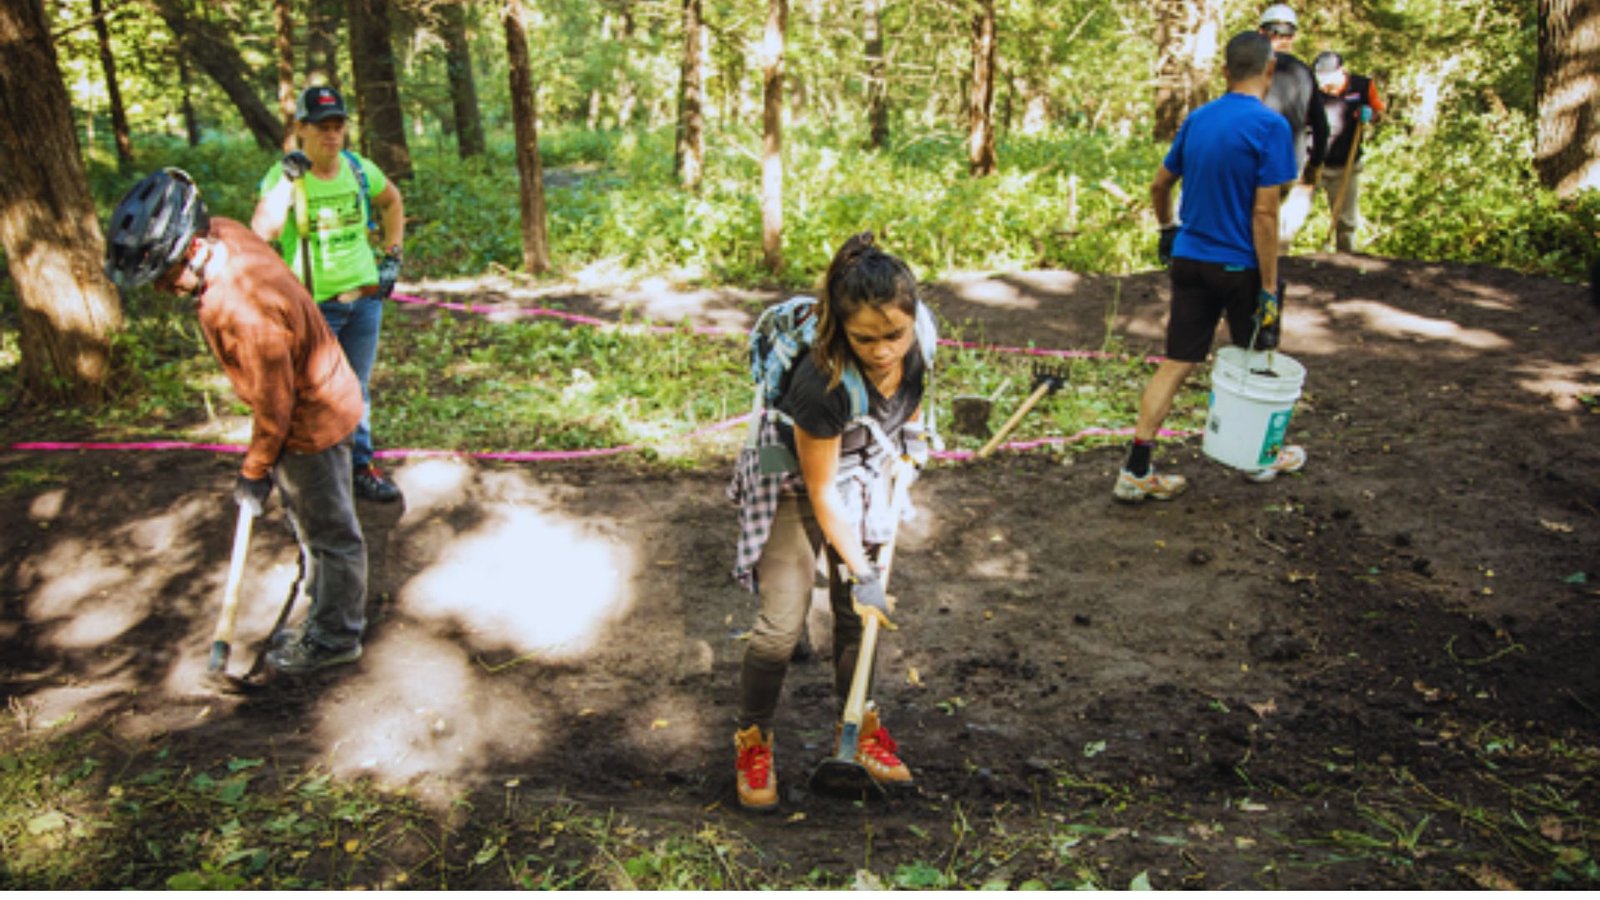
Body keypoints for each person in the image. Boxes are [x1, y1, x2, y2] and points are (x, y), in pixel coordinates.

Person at [105, 168, 370, 674]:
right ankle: (325, 610)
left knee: (329, 530)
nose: (161, 290)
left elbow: (276, 408)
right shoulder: (223, 232)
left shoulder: (241, 308)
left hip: (313, 419)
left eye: (161, 276)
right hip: (314, 395)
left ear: (189, 252)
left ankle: (336, 638)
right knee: (311, 522)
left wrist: (254, 472)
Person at [726, 232, 932, 811]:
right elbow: (821, 491)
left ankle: (860, 727)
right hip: (791, 476)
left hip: (863, 465)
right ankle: (753, 738)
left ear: (912, 319)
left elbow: (911, 404)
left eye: (894, 334)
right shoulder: (823, 383)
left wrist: (910, 446)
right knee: (780, 624)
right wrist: (865, 571)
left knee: (855, 614)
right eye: (865, 339)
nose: (883, 349)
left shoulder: (919, 342)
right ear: (841, 330)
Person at [1131, 31, 1306, 503]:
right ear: (1270, 70)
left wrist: (1167, 229)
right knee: (1255, 358)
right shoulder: (1270, 128)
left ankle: (1136, 468)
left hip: (1189, 258)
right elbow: (1265, 214)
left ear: (1226, 72)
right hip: (1239, 266)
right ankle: (1258, 457)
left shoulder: (1198, 119)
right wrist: (1269, 286)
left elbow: (1158, 185)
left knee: (1176, 362)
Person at [252, 85, 406, 504]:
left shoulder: (358, 169)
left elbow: (392, 201)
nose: (331, 135)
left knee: (356, 388)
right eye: (321, 127)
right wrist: (287, 180)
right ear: (301, 128)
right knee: (314, 393)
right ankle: (318, 479)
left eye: (337, 126)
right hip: (313, 307)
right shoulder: (284, 176)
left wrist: (392, 255)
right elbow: (262, 230)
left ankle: (360, 467)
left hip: (365, 301)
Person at [1257, 4, 1328, 242]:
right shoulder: (1304, 72)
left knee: (1248, 220)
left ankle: (1249, 271)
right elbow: (1321, 124)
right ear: (1293, 36)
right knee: (1272, 221)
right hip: (1288, 161)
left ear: (1261, 33)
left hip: (1253, 156)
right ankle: (1272, 269)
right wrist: (1315, 164)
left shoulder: (1250, 68)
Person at [1313, 51, 1386, 252]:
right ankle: (1280, 264)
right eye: (1321, 80)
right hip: (1313, 163)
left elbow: (1379, 112)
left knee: (1346, 223)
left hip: (1346, 164)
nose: (1325, 85)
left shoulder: (1362, 86)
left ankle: (1346, 266)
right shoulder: (1311, 89)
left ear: (1341, 72)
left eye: (1329, 80)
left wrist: (1370, 116)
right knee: (1289, 218)